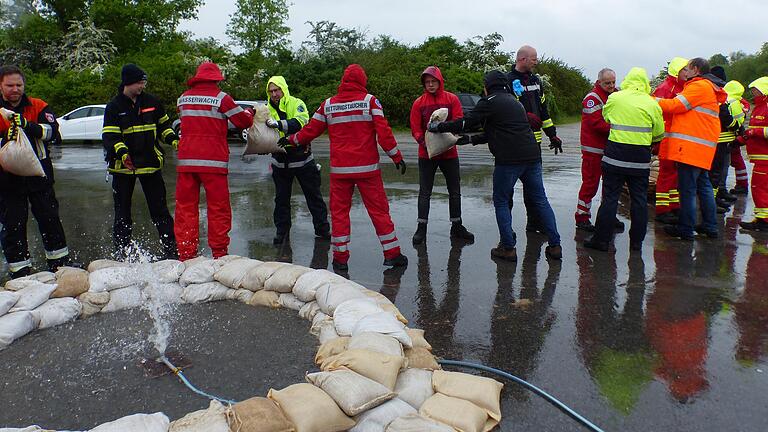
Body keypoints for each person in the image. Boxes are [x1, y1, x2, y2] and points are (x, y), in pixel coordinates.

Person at [429, 70, 562, 261]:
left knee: (500, 200)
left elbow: (466, 121)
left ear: (487, 86)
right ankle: (555, 246)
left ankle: (508, 248)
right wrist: (467, 141)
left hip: (508, 160)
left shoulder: (489, 101)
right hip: (532, 156)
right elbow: (495, 132)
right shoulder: (515, 102)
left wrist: (439, 127)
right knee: (540, 200)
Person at [287, 64, 408, 272]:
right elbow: (384, 133)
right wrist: (396, 156)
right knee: (379, 211)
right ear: (362, 81)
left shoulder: (328, 104)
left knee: (340, 213)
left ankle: (340, 258)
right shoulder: (370, 101)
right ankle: (392, 254)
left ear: (343, 81)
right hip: (367, 169)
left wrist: (291, 140)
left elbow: (310, 130)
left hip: (340, 171)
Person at [0, 65, 74, 278]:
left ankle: (59, 265)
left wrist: (27, 125)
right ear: (1, 86)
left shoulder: (38, 106)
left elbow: (54, 134)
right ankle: (20, 272)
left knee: (50, 219)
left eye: (19, 84)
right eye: (10, 85)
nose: (15, 89)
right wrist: (6, 139)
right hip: (7, 180)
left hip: (39, 177)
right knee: (13, 225)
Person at [174, 62, 253, 261]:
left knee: (185, 209)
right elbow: (243, 122)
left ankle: (186, 254)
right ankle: (219, 254)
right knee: (218, 208)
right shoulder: (222, 98)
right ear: (216, 79)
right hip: (213, 163)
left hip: (187, 163)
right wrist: (250, 112)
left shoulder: (183, 98)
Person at [102, 64, 179, 259]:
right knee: (122, 213)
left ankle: (171, 250)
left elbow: (164, 126)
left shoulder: (152, 102)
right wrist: (123, 153)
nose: (142, 86)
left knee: (160, 210)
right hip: (123, 168)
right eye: (138, 82)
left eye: (143, 82)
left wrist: (174, 140)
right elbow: (110, 137)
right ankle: (122, 252)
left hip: (150, 164)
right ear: (127, 82)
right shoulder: (114, 106)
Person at [584, 67, 664, 252]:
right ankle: (636, 244)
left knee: (610, 198)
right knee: (639, 200)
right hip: (640, 159)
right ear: (644, 83)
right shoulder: (651, 103)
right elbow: (659, 133)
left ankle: (601, 241)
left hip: (615, 157)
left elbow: (606, 117)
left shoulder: (615, 98)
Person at [658, 58, 727, 240]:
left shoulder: (698, 86)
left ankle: (686, 229)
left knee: (687, 189)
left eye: (687, 69)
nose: (685, 72)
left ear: (696, 70)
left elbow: (676, 105)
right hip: (701, 149)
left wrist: (653, 101)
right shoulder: (708, 87)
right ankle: (710, 226)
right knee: (703, 186)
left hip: (690, 149)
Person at [409, 65, 474, 245]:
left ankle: (457, 226)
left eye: (433, 81)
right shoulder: (418, 103)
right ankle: (421, 228)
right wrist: (426, 143)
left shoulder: (451, 99)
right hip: (426, 155)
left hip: (449, 153)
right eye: (427, 82)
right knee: (425, 192)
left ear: (440, 82)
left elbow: (458, 121)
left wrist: (448, 138)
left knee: (454, 191)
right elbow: (415, 129)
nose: (430, 85)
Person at [264, 75, 330, 245]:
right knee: (281, 200)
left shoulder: (296, 103)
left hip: (302, 160)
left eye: (277, 90)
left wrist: (278, 124)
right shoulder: (266, 109)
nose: (274, 94)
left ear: (283, 89)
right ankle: (282, 232)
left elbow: (301, 122)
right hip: (280, 162)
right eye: (271, 91)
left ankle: (323, 230)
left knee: (314, 197)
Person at [507, 45, 564, 234]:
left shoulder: (536, 81)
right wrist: (524, 117)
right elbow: (505, 110)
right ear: (522, 59)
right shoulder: (508, 81)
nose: (536, 61)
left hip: (534, 145)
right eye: (533, 58)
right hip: (514, 143)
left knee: (533, 188)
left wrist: (552, 134)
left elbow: (543, 111)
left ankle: (533, 223)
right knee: (506, 189)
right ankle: (506, 230)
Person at [575, 68, 619, 232]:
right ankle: (582, 217)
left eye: (613, 82)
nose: (611, 85)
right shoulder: (592, 98)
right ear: (599, 82)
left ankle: (608, 216)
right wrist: (619, 129)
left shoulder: (614, 95)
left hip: (608, 149)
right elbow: (597, 124)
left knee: (610, 186)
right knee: (590, 184)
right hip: (593, 150)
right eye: (608, 83)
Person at [652, 57, 688, 224]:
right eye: (684, 70)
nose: (687, 73)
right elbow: (656, 115)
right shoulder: (665, 88)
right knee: (666, 174)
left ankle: (673, 206)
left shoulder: (684, 88)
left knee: (675, 174)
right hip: (667, 138)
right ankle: (662, 209)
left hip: (679, 139)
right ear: (676, 72)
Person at [710, 76, 746, 207]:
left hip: (719, 140)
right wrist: (739, 127)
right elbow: (729, 120)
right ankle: (713, 201)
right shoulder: (728, 101)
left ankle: (716, 196)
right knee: (717, 171)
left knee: (718, 171)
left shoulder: (723, 100)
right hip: (723, 140)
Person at [739, 77, 768, 231]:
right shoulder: (759, 107)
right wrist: (741, 139)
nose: (753, 92)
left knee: (759, 188)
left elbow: (758, 131)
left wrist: (754, 132)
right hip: (760, 157)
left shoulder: (766, 106)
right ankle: (761, 218)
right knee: (760, 188)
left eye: (756, 89)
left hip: (765, 157)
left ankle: (763, 221)